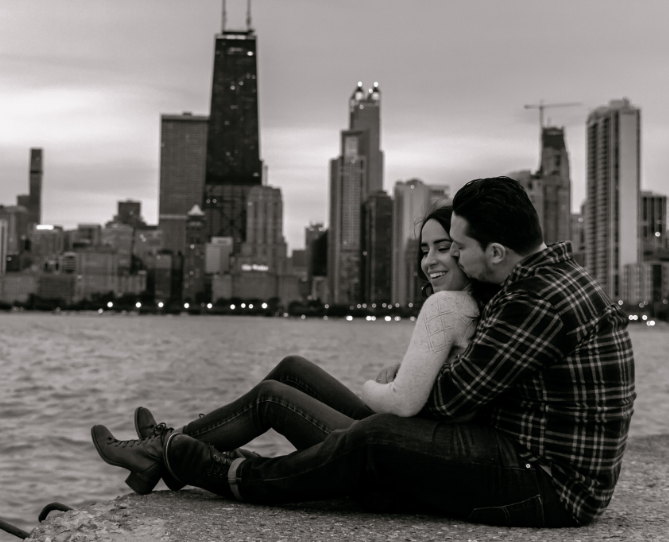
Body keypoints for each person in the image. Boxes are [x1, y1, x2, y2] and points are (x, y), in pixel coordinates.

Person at [94, 176, 636, 527]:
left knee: (376, 435)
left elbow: (445, 402)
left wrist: (392, 384)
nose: (451, 258)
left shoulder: (536, 299)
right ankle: (165, 450)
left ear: (495, 251)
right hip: (514, 450)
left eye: (458, 247)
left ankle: (213, 467)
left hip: (549, 483)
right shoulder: (535, 282)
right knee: (297, 377)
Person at [91, 207, 480, 496]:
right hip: (400, 436)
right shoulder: (472, 306)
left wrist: (374, 386)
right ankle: (166, 453)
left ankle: (159, 451)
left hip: (394, 451)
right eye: (425, 249)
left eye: (444, 248)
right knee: (293, 368)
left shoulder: (448, 306)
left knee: (271, 398)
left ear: (467, 251)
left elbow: (404, 402)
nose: (430, 260)